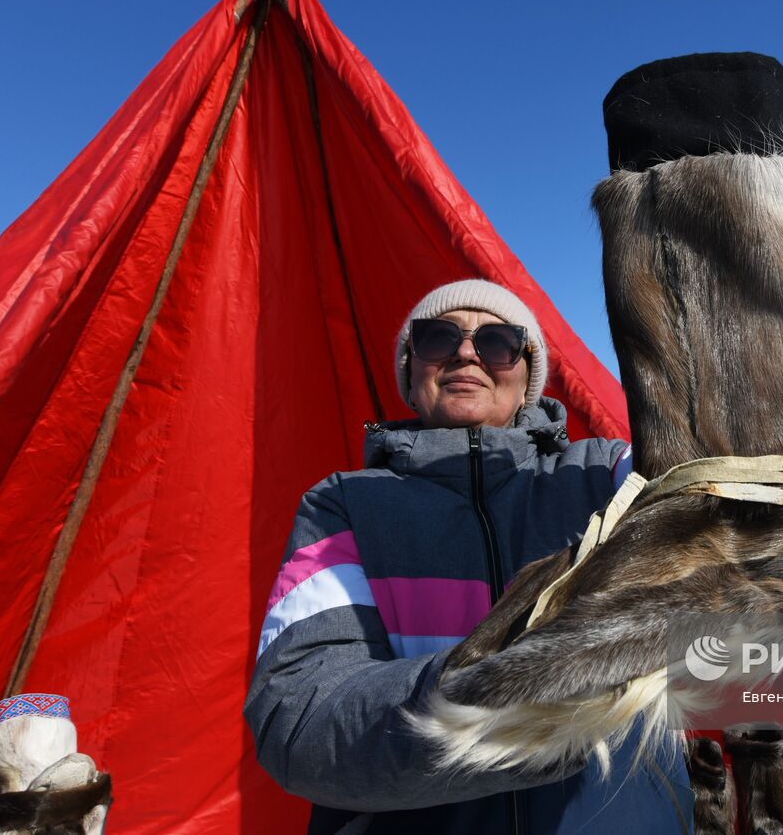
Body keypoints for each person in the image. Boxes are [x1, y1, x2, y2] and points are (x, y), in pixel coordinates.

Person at [244, 281, 690, 834]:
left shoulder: (607, 472)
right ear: (411, 373)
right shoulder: (344, 505)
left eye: (498, 342)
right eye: (438, 338)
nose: (465, 353)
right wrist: (517, 691)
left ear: (528, 376)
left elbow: (729, 516)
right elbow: (300, 721)